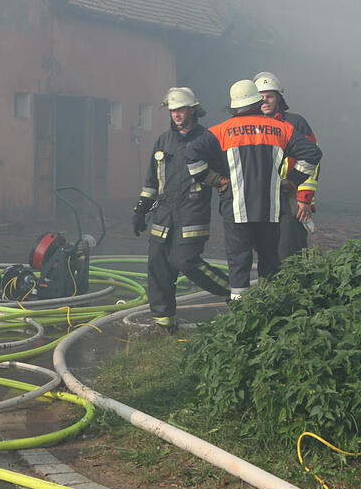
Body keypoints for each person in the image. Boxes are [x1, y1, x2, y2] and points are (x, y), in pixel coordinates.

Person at [186, 80, 322, 300]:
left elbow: (191, 156)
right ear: (258, 103)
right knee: (270, 262)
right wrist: (291, 180)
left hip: (235, 209)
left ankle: (241, 315)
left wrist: (215, 180)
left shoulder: (221, 131)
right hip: (270, 209)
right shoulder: (281, 128)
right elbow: (313, 154)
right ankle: (269, 311)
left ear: (233, 108)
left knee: (239, 264)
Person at [131, 88, 230, 334]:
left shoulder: (208, 139)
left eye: (181, 109)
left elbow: (223, 176)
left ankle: (232, 292)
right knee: (158, 265)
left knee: (185, 261)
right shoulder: (163, 141)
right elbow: (151, 182)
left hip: (192, 213)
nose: (176, 114)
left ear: (192, 110)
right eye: (173, 110)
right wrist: (141, 210)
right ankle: (164, 324)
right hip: (163, 214)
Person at [253, 72, 319, 261]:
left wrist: (304, 198)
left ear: (278, 98)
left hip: (290, 199)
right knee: (267, 252)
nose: (265, 101)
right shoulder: (251, 126)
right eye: (260, 97)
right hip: (262, 201)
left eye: (270, 96)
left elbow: (313, 161)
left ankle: (297, 288)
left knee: (290, 250)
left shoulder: (295, 123)